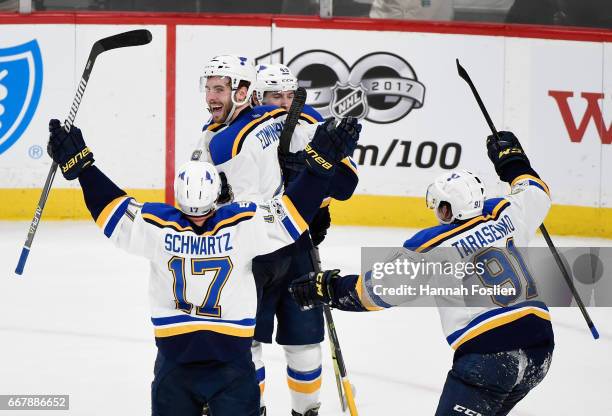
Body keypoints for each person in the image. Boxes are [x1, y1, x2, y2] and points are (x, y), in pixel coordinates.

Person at [45, 113, 359, 416]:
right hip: (232, 367)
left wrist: (82, 167)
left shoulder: (157, 227)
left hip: (175, 366)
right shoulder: (241, 226)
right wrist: (319, 167)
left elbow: (111, 210)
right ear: (216, 193)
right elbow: (292, 214)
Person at [290, 131, 555, 415]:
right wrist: (512, 160)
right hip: (541, 349)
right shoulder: (507, 214)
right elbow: (535, 192)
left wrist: (327, 288)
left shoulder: (433, 246)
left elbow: (376, 292)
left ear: (447, 209)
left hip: (489, 357)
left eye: (441, 209)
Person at [251, 63, 359, 415]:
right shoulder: (242, 131)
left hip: (299, 248)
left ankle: (306, 410)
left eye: (288, 95)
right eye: (273, 97)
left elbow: (346, 186)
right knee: (246, 338)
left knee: (306, 341)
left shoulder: (313, 124)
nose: (283, 104)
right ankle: (253, 408)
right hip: (254, 251)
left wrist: (314, 177)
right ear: (256, 98)